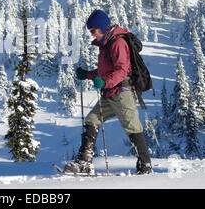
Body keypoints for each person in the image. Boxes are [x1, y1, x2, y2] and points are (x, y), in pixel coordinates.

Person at [65, 9, 152, 175]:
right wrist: (88, 74)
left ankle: (145, 166)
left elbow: (121, 70)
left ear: (102, 27)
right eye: (90, 31)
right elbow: (106, 70)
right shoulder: (106, 44)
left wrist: (105, 82)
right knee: (91, 120)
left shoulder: (117, 42)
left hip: (122, 93)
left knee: (132, 127)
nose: (92, 34)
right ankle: (84, 162)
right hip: (109, 94)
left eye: (93, 31)